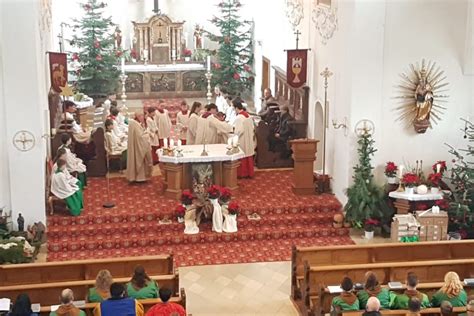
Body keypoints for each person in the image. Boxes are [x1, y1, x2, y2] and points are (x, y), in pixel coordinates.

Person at [126, 112, 153, 183]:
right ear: (138, 117)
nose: (143, 118)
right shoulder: (135, 124)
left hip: (136, 146)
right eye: (142, 117)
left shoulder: (134, 123)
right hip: (138, 147)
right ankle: (139, 178)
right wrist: (147, 134)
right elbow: (140, 137)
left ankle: (139, 177)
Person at [232, 98, 256, 178]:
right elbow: (252, 127)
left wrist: (234, 134)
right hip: (248, 138)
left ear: (236, 108)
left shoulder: (239, 118)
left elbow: (239, 131)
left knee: (242, 155)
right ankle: (250, 172)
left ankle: (243, 173)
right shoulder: (248, 115)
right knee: (248, 154)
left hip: (242, 139)